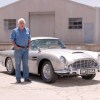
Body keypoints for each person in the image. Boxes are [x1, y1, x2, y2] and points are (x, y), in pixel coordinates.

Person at [10, 18, 31, 83]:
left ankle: (26, 78)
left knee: (26, 64)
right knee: (18, 64)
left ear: (24, 24)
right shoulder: (15, 31)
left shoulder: (27, 30)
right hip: (18, 50)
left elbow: (29, 39)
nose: (22, 24)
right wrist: (15, 46)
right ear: (18, 24)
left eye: (23, 23)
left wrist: (29, 46)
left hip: (25, 49)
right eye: (20, 23)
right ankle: (18, 79)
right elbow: (12, 40)